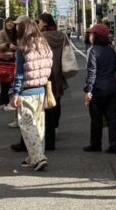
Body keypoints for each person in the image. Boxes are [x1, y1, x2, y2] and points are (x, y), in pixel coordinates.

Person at [10, 18, 53, 172]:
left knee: (28, 126)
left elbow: (20, 73)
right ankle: (33, 155)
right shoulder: (44, 44)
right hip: (41, 90)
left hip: (27, 91)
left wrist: (16, 93)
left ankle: (39, 158)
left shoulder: (23, 47)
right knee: (39, 125)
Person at [83, 23, 116, 153]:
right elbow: (115, 69)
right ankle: (115, 144)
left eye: (92, 34)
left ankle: (95, 144)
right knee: (112, 117)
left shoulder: (93, 50)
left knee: (96, 118)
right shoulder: (111, 50)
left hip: (98, 89)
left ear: (97, 36)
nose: (90, 36)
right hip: (112, 87)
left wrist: (88, 90)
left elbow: (92, 71)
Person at [40, 13, 71, 151]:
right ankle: (55, 126)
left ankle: (49, 138)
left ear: (45, 23)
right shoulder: (62, 35)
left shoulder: (42, 37)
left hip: (46, 74)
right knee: (56, 102)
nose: (38, 24)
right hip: (59, 73)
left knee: (47, 107)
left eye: (40, 22)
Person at [0, 17, 18, 111]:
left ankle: (2, 103)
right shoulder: (2, 32)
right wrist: (8, 45)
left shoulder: (15, 33)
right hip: (3, 59)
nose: (10, 24)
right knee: (5, 82)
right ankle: (6, 103)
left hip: (11, 59)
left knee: (6, 82)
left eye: (12, 23)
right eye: (8, 22)